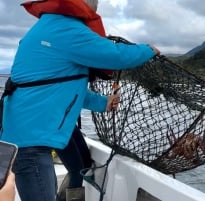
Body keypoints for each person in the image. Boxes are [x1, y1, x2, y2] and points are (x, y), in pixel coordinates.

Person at [0, 0, 160, 201]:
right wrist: (149, 50)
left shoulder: (51, 26)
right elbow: (116, 55)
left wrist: (103, 102)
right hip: (31, 144)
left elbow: (62, 89)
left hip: (25, 136)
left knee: (72, 170)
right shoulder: (66, 28)